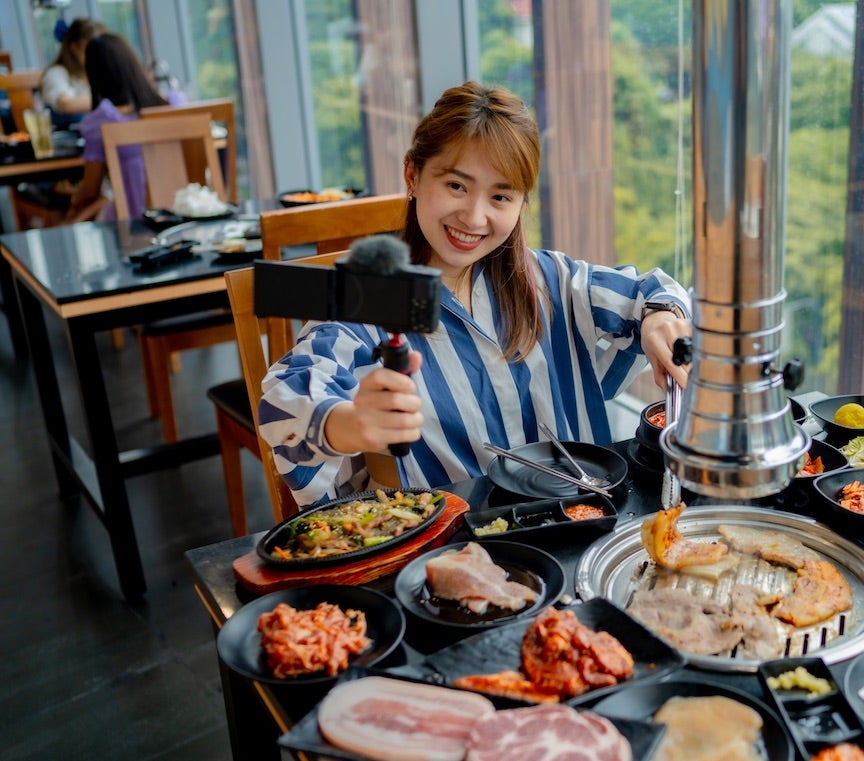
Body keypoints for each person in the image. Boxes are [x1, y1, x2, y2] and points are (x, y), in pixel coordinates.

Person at [260, 81, 693, 507]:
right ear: (412, 175)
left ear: (520, 203)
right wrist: (351, 424)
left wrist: (660, 317)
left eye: (500, 196)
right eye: (456, 186)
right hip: (463, 538)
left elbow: (650, 292)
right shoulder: (366, 304)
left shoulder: (549, 279)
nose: (474, 217)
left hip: (588, 516)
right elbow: (288, 399)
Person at [64, 32, 182, 222]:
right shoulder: (175, 105)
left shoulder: (102, 122)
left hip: (134, 224)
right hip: (182, 213)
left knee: (74, 217)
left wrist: (73, 201)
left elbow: (90, 191)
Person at [39, 17, 106, 130]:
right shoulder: (56, 73)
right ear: (74, 47)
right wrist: (110, 101)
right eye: (92, 49)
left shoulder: (99, 73)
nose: (100, 54)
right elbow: (65, 104)